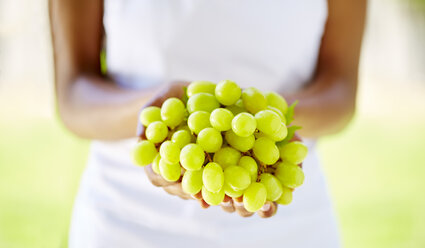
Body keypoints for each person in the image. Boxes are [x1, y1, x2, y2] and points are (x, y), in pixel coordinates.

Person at [49, 0, 366, 247]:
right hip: (125, 224)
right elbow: (73, 95)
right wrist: (153, 112)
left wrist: (272, 120)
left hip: (290, 230)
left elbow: (340, 92)